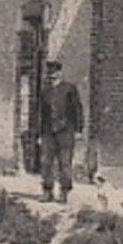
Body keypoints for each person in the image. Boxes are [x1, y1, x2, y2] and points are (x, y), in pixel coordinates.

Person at [37, 60, 84, 202]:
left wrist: (78, 129)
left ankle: (64, 192)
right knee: (46, 162)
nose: (52, 76)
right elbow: (40, 114)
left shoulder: (69, 89)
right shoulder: (45, 92)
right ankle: (47, 191)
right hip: (48, 132)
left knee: (65, 163)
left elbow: (77, 109)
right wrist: (40, 134)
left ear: (60, 74)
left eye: (55, 73)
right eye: (50, 74)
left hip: (65, 131)